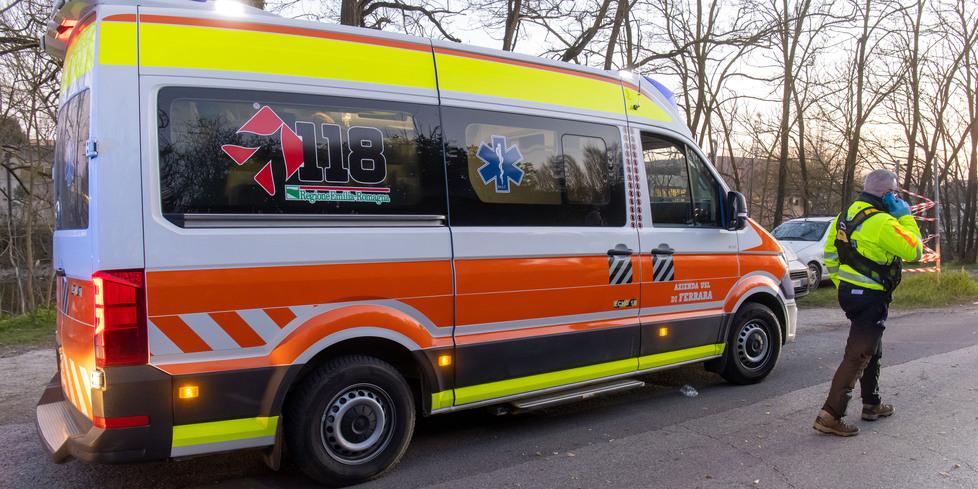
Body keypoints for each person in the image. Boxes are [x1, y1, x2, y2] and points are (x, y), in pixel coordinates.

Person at [813, 169, 923, 437]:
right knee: (859, 355)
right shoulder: (883, 222)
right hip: (871, 296)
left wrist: (845, 284)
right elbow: (915, 250)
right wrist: (906, 217)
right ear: (886, 195)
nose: (896, 198)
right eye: (895, 194)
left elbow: (830, 253)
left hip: (850, 295)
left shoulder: (846, 215)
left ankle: (871, 404)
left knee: (872, 347)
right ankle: (830, 415)